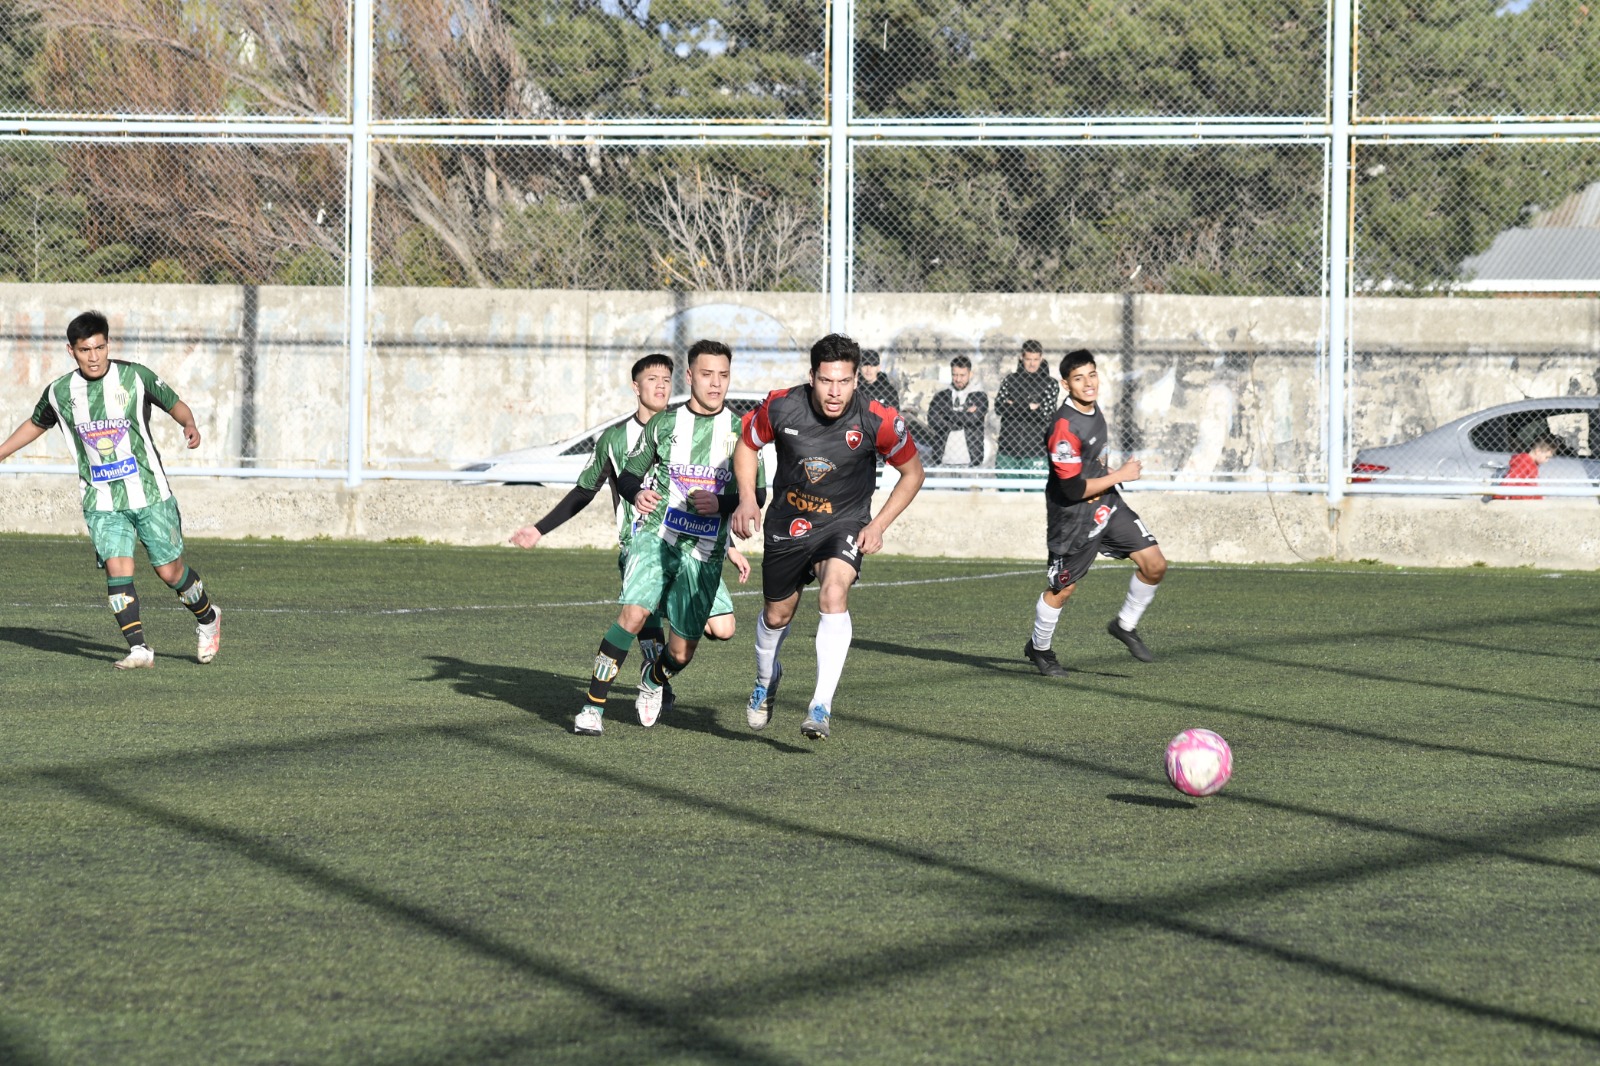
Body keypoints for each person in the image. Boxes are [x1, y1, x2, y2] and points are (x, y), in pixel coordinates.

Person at [510, 353, 751, 715]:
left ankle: (655, 673)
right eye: (652, 379)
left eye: (666, 380)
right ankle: (601, 704)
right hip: (643, 542)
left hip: (698, 547)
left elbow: (704, 494)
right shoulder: (615, 439)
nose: (660, 386)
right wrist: (539, 528)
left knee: (721, 627)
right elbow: (584, 491)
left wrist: (728, 546)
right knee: (639, 615)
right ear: (635, 386)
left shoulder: (700, 430)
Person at [0, 310, 221, 668]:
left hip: (150, 493)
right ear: (71, 350)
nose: (94, 356)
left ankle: (208, 619)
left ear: (107, 344)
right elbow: (36, 423)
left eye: (100, 347)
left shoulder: (134, 376)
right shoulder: (59, 392)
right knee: (118, 571)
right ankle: (139, 648)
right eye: (85, 349)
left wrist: (190, 424)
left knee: (170, 573)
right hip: (101, 499)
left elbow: (174, 402)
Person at [732, 333, 926, 740]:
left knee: (834, 592)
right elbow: (747, 445)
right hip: (787, 524)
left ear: (857, 380)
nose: (834, 392)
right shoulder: (782, 404)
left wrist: (878, 525)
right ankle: (766, 680)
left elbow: (913, 473)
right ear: (811, 377)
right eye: (825, 381)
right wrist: (748, 499)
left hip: (844, 522)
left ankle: (820, 705)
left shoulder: (878, 419)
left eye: (843, 381)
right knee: (776, 615)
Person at [573, 339, 760, 736]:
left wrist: (724, 504)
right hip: (658, 537)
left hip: (704, 552)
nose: (716, 384)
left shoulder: (742, 430)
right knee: (635, 613)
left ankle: (653, 679)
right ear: (690, 377)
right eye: (707, 375)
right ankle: (592, 708)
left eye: (723, 376)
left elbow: (757, 494)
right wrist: (635, 492)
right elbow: (628, 474)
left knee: (683, 650)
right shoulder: (665, 424)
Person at [1023, 348, 1166, 678]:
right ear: (1065, 384)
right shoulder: (1064, 427)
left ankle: (1124, 625)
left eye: (1092, 374)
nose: (1088, 383)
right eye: (1078, 378)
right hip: (1072, 519)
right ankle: (1039, 649)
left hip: (1107, 504)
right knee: (1062, 590)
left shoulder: (1093, 407)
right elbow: (1072, 489)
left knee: (1155, 564)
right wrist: (1121, 475)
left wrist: (1106, 471)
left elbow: (1090, 460)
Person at [994, 339, 1060, 471]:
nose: (1032, 364)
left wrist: (1014, 405)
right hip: (1008, 448)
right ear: (1021, 358)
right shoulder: (1010, 380)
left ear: (1041, 358)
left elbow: (1045, 414)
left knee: (1035, 491)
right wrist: (1030, 407)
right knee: (1006, 490)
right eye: (1028, 359)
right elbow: (999, 407)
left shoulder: (1050, 383)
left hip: (1037, 449)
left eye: (1035, 359)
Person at [925, 355, 989, 466]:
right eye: (955, 375)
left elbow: (972, 420)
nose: (958, 379)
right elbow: (933, 421)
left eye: (962, 375)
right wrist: (964, 413)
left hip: (970, 461)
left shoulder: (979, 396)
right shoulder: (941, 396)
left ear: (970, 374)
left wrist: (946, 413)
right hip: (942, 460)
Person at [1494, 432, 1560, 500]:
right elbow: (1510, 480)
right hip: (1517, 500)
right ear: (1538, 451)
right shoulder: (1523, 463)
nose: (1547, 460)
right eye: (1546, 457)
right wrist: (1502, 496)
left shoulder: (1531, 464)